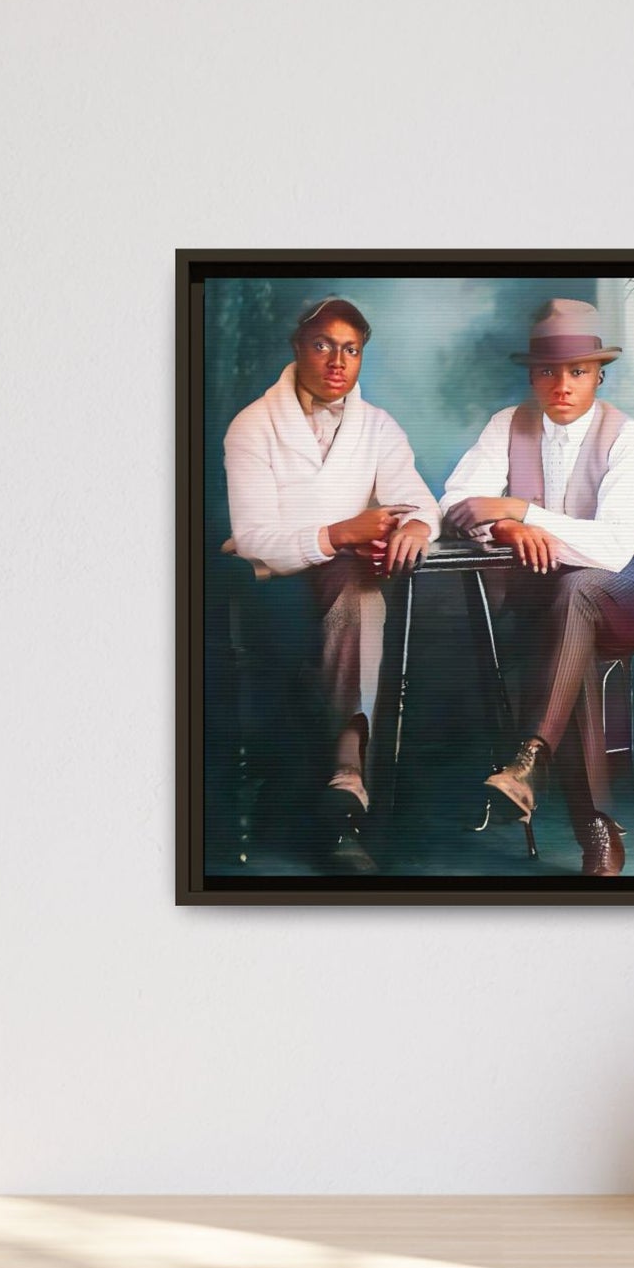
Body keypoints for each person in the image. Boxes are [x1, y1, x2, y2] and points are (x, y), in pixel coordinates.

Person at [438, 297, 634, 877]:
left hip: (633, 590)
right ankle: (597, 829)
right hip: (553, 598)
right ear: (531, 373)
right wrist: (508, 526)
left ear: (598, 372)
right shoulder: (506, 425)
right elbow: (453, 504)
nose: (561, 384)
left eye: (577, 371)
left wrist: (521, 508)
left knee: (581, 594)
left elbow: (612, 549)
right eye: (547, 370)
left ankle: (530, 760)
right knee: (572, 624)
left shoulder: (629, 438)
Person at [222, 296, 439, 863]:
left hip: (347, 581)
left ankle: (347, 777)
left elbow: (415, 497)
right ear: (298, 349)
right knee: (353, 581)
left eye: (351, 349)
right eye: (323, 345)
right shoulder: (252, 425)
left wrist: (416, 522)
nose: (337, 360)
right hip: (273, 590)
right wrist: (342, 531)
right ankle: (339, 779)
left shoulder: (378, 427)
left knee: (362, 588)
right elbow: (252, 537)